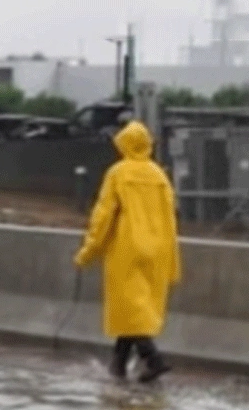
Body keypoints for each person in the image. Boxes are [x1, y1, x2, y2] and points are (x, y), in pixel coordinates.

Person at [74, 121, 181, 383]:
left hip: (127, 248)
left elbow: (103, 217)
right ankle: (118, 367)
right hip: (158, 249)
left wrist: (88, 251)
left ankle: (152, 358)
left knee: (129, 307)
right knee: (134, 309)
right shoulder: (159, 175)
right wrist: (172, 260)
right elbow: (171, 218)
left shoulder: (118, 173)